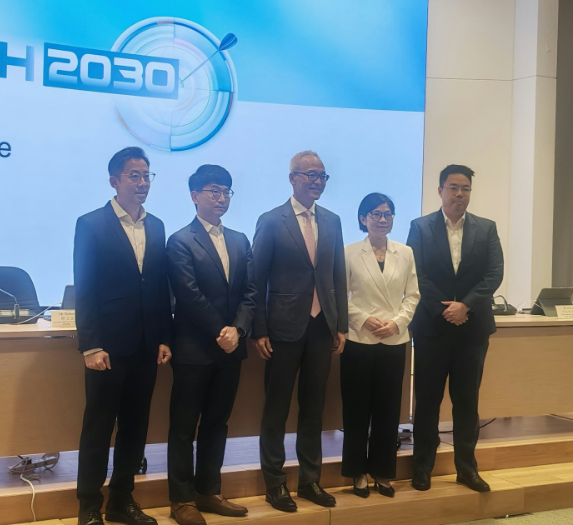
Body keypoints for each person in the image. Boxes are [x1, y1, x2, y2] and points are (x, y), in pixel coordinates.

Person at [74, 147, 172, 525]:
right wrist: (91, 344)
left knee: (135, 426)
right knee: (99, 426)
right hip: (108, 348)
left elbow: (159, 287)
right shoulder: (91, 224)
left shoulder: (157, 226)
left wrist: (163, 337)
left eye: (146, 175)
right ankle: (88, 505)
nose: (142, 182)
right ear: (114, 181)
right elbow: (85, 288)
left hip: (146, 346)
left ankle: (121, 500)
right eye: (134, 175)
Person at [252, 151, 348, 512]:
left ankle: (310, 481)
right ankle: (275, 484)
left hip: (322, 328)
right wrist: (259, 329)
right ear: (292, 178)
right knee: (276, 409)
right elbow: (256, 279)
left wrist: (340, 324)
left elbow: (337, 275)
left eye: (322, 176)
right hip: (281, 329)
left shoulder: (332, 221)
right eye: (310, 175)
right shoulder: (271, 220)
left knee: (313, 408)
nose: (317, 182)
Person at [165, 165, 257, 525]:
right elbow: (188, 295)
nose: (221, 198)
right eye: (213, 191)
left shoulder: (240, 239)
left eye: (226, 192)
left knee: (217, 424)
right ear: (195, 196)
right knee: (183, 427)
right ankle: (181, 500)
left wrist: (239, 330)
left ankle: (208, 491)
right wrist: (222, 331)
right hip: (193, 349)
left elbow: (250, 292)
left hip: (231, 349)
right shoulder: (180, 241)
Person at [407, 164, 504, 493]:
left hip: (472, 330)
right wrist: (445, 309)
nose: (459, 194)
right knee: (427, 401)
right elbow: (416, 274)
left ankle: (467, 469)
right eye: (453, 188)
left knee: (467, 402)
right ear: (440, 191)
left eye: (465, 189)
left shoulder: (486, 228)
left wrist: (466, 305)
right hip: (432, 328)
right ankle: (422, 467)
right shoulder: (420, 228)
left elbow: (494, 273)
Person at [341, 193, 420, 498]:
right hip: (360, 338)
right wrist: (363, 319)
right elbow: (341, 295)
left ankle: (383, 471)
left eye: (388, 214)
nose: (382, 219)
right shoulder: (349, 252)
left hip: (394, 339)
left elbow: (413, 295)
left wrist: (397, 323)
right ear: (363, 219)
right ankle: (357, 472)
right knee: (357, 410)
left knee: (388, 410)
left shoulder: (405, 252)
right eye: (376, 214)